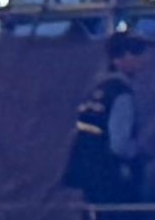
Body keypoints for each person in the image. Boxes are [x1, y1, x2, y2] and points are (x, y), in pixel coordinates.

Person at [60, 48, 144, 205]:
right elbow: (119, 145)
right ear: (118, 60)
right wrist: (137, 151)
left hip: (88, 174)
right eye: (135, 53)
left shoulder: (97, 90)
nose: (142, 59)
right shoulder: (121, 93)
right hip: (111, 176)